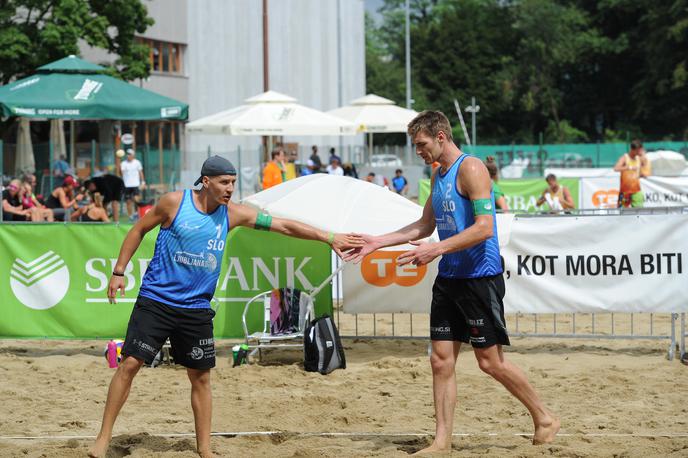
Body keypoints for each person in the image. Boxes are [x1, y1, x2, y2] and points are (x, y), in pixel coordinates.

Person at [88, 155, 363, 458]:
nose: (230, 188)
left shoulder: (233, 214)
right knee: (129, 364)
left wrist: (329, 237)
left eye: (233, 182)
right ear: (206, 182)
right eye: (224, 182)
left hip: (195, 308)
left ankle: (205, 449)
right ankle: (103, 439)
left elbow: (283, 225)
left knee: (201, 378)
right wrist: (118, 271)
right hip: (157, 300)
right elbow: (138, 230)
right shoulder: (173, 203)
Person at [344, 111, 559, 453]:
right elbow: (423, 226)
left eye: (422, 145)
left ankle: (544, 416)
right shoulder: (438, 172)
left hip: (478, 277)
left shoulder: (470, 168)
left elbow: (485, 227)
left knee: (490, 362)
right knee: (440, 360)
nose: (418, 152)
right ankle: (441, 441)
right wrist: (376, 242)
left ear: (441, 137)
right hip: (450, 278)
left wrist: (437, 249)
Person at [613, 139, 651, 208]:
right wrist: (628, 167)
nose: (639, 152)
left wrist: (644, 156)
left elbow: (645, 166)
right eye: (638, 150)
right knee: (621, 213)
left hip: (636, 190)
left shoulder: (639, 158)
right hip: (624, 191)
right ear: (633, 150)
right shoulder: (625, 157)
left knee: (639, 214)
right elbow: (616, 168)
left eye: (640, 150)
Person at [120, 149, 145, 220]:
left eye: (130, 154)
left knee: (136, 199)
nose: (128, 156)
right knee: (128, 201)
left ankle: (137, 214)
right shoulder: (123, 163)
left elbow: (140, 172)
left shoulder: (137, 162)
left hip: (135, 184)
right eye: (127, 154)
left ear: (133, 155)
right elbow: (121, 173)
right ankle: (130, 216)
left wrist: (143, 182)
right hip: (126, 185)